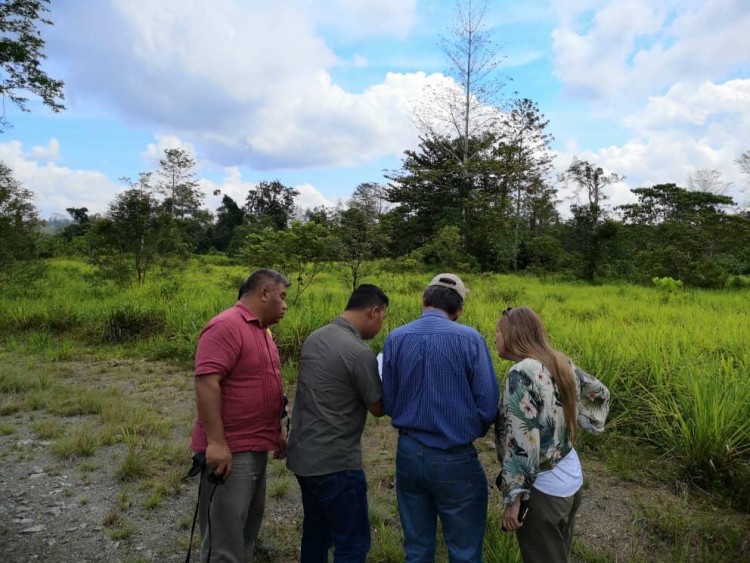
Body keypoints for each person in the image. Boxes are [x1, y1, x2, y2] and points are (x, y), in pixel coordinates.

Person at [382, 273, 499, 562]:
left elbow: (389, 400)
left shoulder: (395, 338)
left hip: (408, 453)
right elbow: (487, 404)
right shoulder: (471, 339)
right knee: (464, 549)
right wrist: (470, 430)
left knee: (417, 546)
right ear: (458, 310)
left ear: (423, 300)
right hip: (454, 456)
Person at [494, 306, 610, 563]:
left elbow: (520, 441)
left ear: (513, 334)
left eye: (498, 331)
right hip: (570, 478)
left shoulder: (521, 373)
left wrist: (515, 498)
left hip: (543, 488)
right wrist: (579, 424)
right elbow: (599, 393)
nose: (495, 338)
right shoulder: (559, 361)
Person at [190, 268, 291, 563]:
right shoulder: (226, 326)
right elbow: (206, 382)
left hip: (256, 444)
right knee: (225, 536)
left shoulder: (260, 330)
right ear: (263, 293)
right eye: (282, 297)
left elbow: (266, 385)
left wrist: (277, 430)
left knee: (246, 526)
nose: (285, 305)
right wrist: (217, 444)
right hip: (231, 450)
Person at [286, 284, 389, 563]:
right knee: (352, 543)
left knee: (316, 533)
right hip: (337, 463)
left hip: (304, 457)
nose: (381, 325)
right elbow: (377, 407)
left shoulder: (315, 338)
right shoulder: (359, 353)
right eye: (383, 318)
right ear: (374, 310)